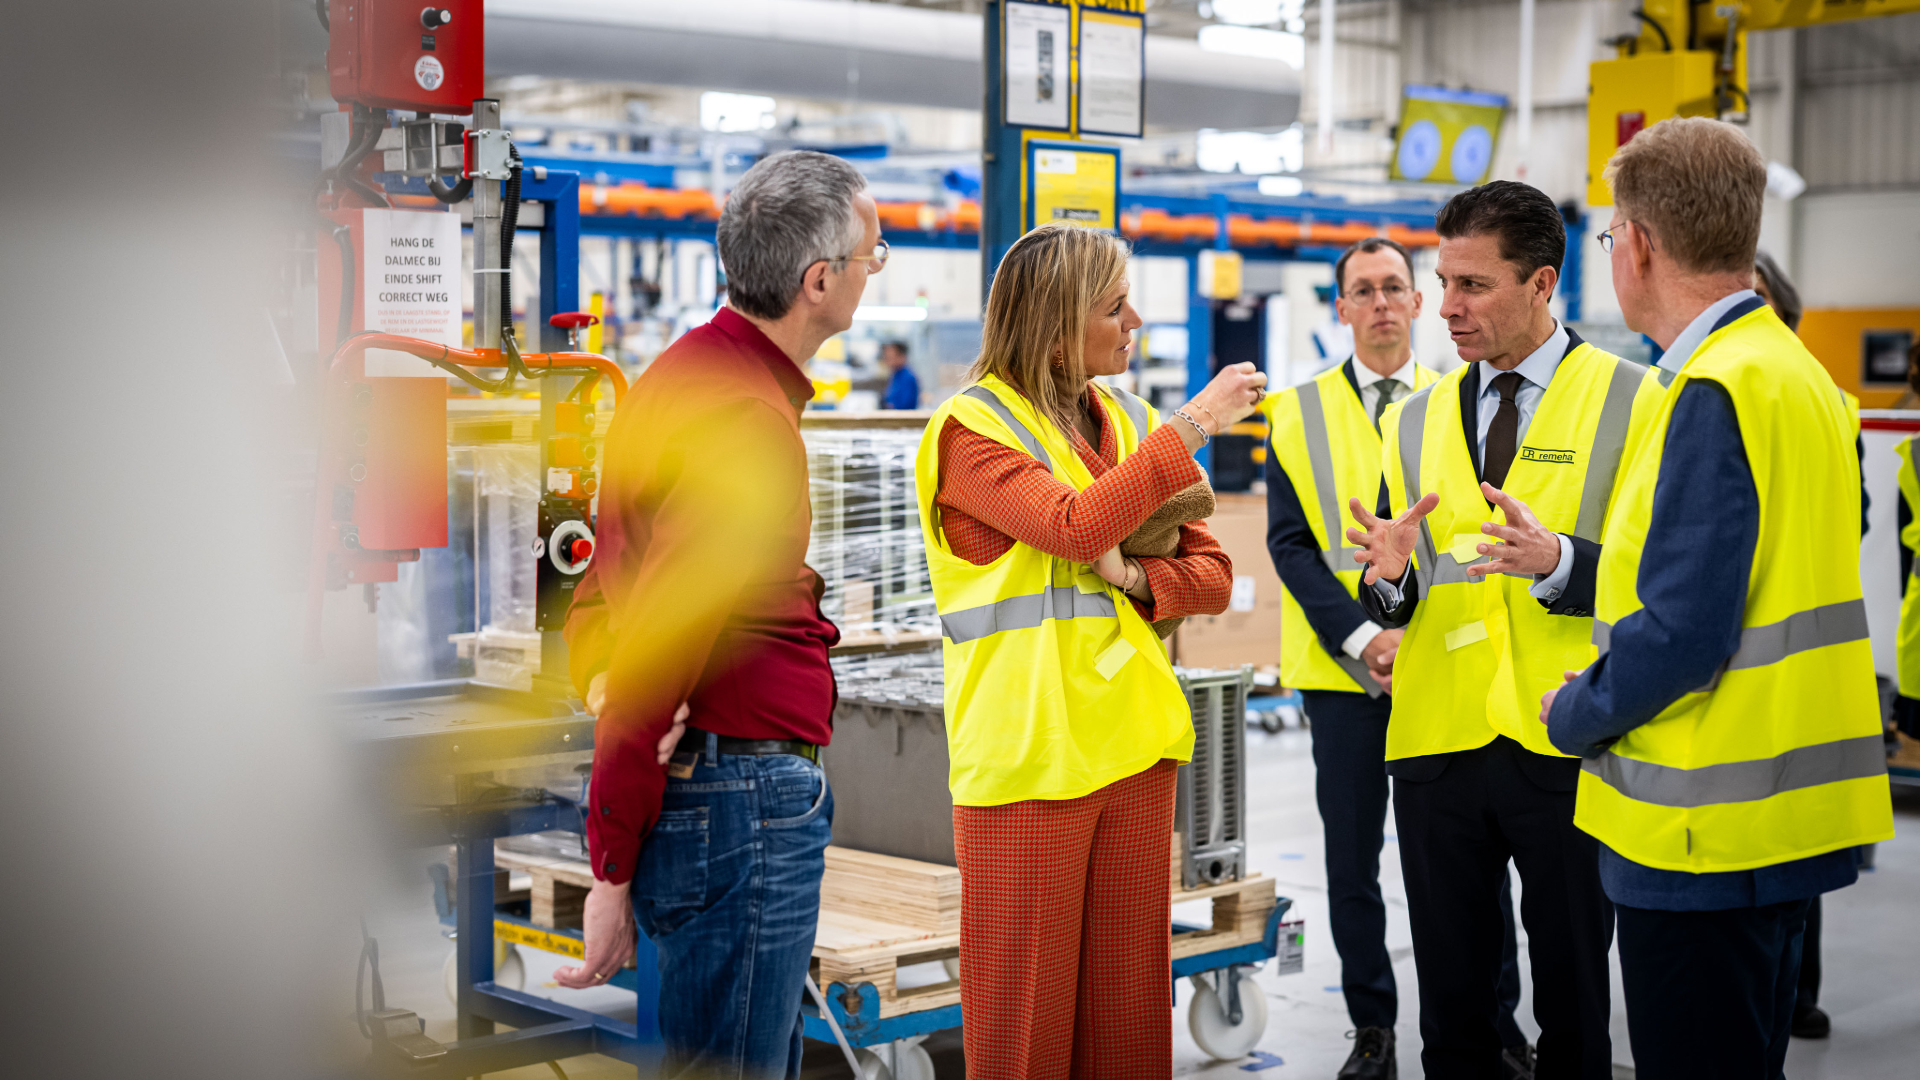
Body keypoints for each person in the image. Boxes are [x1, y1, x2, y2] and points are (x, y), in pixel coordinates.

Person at [1543, 117, 1895, 1080]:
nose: (1615, 253)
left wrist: (1577, 712)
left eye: (1613, 235)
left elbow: (1685, 630)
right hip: (1783, 817)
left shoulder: (1711, 387)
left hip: (1702, 832)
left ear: (1644, 245)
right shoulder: (1802, 378)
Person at [554, 150, 886, 1078]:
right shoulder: (744, 422)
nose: (876, 269)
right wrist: (610, 870)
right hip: (739, 802)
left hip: (718, 794)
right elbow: (661, 646)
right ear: (820, 282)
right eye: (874, 254)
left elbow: (599, 590)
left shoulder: (671, 380)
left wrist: (599, 674)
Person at [915, 220, 1266, 1078]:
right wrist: (1194, 425)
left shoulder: (1128, 421)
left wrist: (1142, 581)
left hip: (1134, 747)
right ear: (1056, 323)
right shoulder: (974, 432)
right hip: (1031, 759)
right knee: (1026, 1029)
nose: (1134, 320)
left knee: (1128, 1023)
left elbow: (1213, 574)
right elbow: (1074, 526)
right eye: (1115, 307)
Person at [1347, 180, 1660, 1080]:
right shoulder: (1409, 420)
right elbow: (1395, 597)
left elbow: (1657, 581)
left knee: (1572, 1003)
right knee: (1451, 1012)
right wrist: (1391, 578)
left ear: (1542, 283)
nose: (1444, 308)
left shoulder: (1637, 400)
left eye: (1473, 286)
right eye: (1443, 283)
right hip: (1440, 741)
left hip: (1567, 735)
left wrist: (1560, 560)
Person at [1264, 236, 1531, 1080]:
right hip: (1341, 678)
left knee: (1478, 862)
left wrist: (1411, 635)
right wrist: (1363, 636)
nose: (1381, 302)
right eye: (1362, 291)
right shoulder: (1295, 411)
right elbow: (1292, 545)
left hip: (1451, 666)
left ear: (1418, 302)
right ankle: (1372, 1027)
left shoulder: (1469, 402)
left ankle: (1502, 1026)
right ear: (1340, 308)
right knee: (1353, 860)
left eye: (1394, 287)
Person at [881, 339, 920, 409]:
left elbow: (905, 406)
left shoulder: (908, 378)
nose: (887, 360)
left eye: (891, 357)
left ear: (902, 356)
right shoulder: (895, 375)